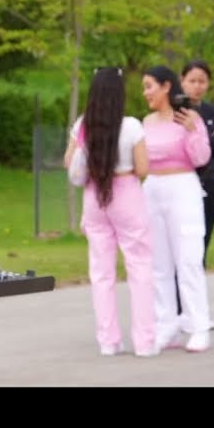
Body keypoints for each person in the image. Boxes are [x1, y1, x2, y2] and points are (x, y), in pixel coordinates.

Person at [64, 67, 154, 357]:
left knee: (101, 273)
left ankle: (108, 341)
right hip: (126, 193)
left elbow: (69, 163)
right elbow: (142, 169)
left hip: (94, 197)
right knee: (139, 267)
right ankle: (144, 342)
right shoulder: (131, 126)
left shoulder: (82, 125)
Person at [141, 65, 213, 353]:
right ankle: (166, 325)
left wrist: (193, 131)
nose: (145, 92)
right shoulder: (146, 122)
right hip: (152, 190)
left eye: (149, 86)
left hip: (183, 187)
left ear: (166, 87)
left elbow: (201, 157)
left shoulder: (190, 118)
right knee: (158, 264)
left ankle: (198, 325)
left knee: (188, 260)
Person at [178, 58, 214, 330]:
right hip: (181, 185)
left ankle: (195, 309)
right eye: (192, 81)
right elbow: (177, 145)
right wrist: (206, 137)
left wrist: (201, 137)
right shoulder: (174, 112)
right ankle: (176, 310)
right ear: (182, 80)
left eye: (202, 81)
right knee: (180, 251)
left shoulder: (213, 112)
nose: (197, 87)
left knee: (200, 248)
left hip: (209, 185)